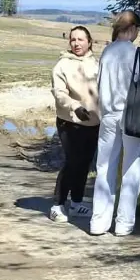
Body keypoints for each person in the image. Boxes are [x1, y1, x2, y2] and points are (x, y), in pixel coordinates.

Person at [91, 11, 140, 237]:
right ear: (133, 28)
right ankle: (123, 223)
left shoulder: (107, 52)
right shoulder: (138, 54)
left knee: (105, 167)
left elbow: (100, 85)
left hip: (109, 116)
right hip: (133, 116)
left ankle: (98, 221)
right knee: (132, 167)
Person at [49, 25, 99, 223]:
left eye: (81, 39)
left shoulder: (96, 64)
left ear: (89, 42)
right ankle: (57, 204)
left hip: (93, 122)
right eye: (73, 40)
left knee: (85, 163)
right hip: (70, 122)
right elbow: (59, 93)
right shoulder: (62, 65)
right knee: (72, 162)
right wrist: (74, 106)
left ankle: (77, 203)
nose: (77, 43)